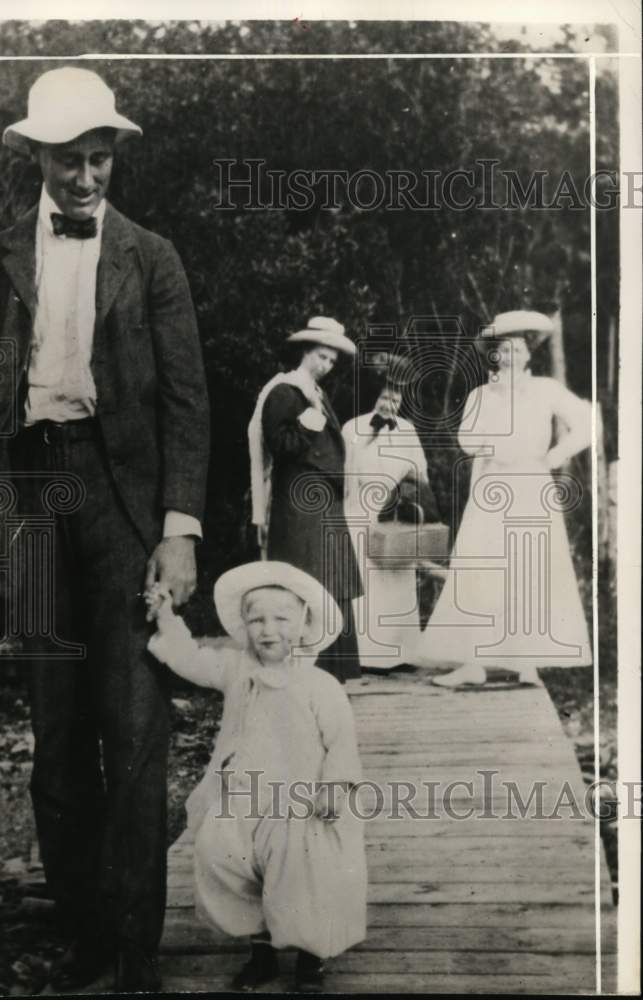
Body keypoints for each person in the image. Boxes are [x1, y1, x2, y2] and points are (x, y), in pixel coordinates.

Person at [0, 67, 210, 991]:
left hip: (120, 501)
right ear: (36, 157)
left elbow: (187, 402)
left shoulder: (154, 257)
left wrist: (177, 530)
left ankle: (138, 951)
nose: (88, 179)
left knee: (134, 726)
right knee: (57, 733)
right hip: (25, 497)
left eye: (101, 161)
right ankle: (86, 938)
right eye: (71, 161)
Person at [146, 560, 367, 993]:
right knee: (224, 854)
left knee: (303, 872)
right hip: (244, 797)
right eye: (256, 619)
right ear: (244, 627)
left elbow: (341, 743)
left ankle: (310, 957)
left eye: (281, 619)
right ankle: (261, 952)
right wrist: (167, 617)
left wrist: (334, 786)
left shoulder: (321, 686)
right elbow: (189, 658)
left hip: (301, 804)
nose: (268, 630)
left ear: (304, 625)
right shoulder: (236, 671)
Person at [415, 310, 592, 687]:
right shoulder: (483, 394)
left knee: (528, 568)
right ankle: (474, 662)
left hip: (531, 482)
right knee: (482, 567)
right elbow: (466, 439)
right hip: (493, 485)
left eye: (517, 348)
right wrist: (494, 438)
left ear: (529, 353)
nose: (510, 356)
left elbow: (588, 422)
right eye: (502, 350)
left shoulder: (545, 389)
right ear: (493, 356)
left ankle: (526, 661)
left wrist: (554, 456)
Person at [248, 317, 362, 682]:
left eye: (331, 360)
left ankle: (331, 671)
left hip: (321, 502)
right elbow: (281, 446)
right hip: (299, 503)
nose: (326, 366)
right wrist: (309, 420)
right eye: (321, 357)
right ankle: (308, 669)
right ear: (305, 352)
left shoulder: (313, 391)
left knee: (331, 578)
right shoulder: (285, 390)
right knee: (309, 578)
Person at [342, 380, 434, 670]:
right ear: (375, 396)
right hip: (359, 510)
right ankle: (367, 655)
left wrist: (403, 492)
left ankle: (402, 654)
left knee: (398, 578)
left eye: (395, 400)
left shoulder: (406, 430)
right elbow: (344, 475)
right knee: (367, 581)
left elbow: (421, 473)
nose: (389, 404)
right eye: (384, 397)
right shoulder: (352, 428)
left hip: (396, 512)